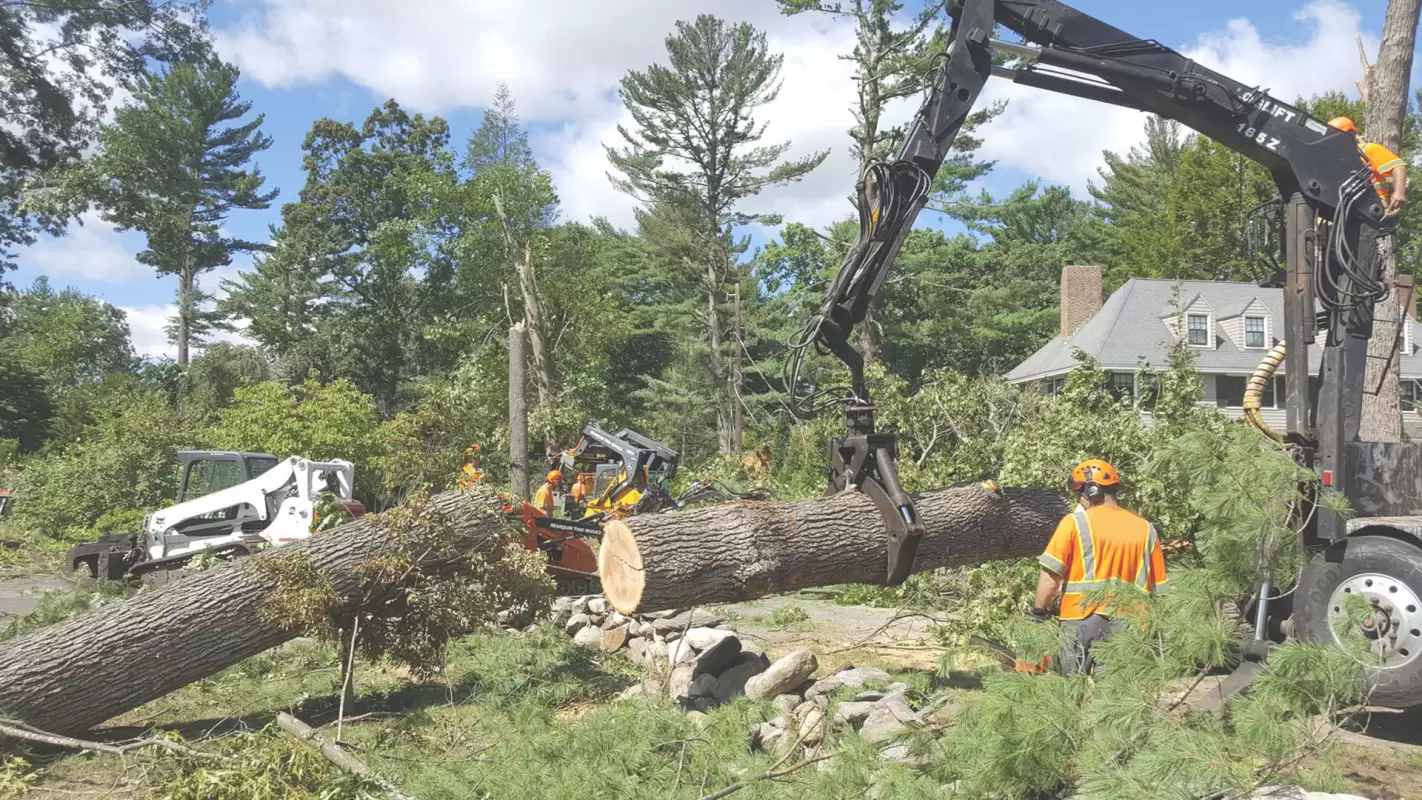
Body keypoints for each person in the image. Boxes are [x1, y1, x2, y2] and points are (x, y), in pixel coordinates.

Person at [1032, 459, 1169, 675]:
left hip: (1080, 619)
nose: (1078, 499)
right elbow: (1160, 589)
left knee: (1068, 694)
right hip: (1130, 624)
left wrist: (1039, 611)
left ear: (1093, 490)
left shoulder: (1074, 523)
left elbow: (1050, 575)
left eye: (1079, 492)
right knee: (1116, 699)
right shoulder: (1146, 529)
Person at [1329, 116, 1408, 214]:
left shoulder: (1368, 149)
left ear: (1350, 135)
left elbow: (1398, 166)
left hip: (1375, 206)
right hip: (1349, 206)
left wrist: (1399, 192)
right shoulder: (1338, 159)